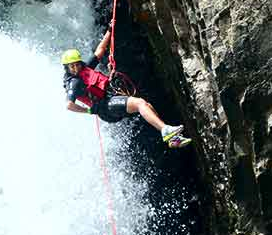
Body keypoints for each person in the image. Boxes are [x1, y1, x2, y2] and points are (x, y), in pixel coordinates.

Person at [61, 30, 192, 149]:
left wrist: (109, 30)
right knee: (141, 103)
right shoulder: (74, 83)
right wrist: (89, 110)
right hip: (105, 107)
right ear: (66, 67)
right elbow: (69, 105)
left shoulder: (84, 69)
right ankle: (166, 131)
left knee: (146, 105)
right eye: (71, 66)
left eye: (77, 64)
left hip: (110, 99)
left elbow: (100, 51)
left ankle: (173, 139)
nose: (75, 68)